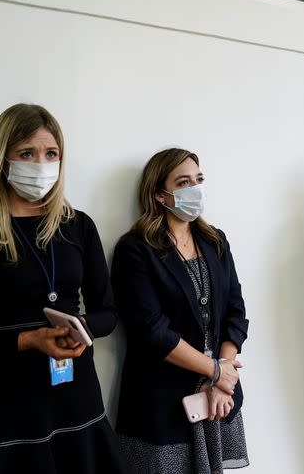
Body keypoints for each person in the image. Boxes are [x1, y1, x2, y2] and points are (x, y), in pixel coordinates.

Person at [0, 103, 128, 473]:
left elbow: (109, 314)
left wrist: (79, 331)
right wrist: (27, 340)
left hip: (76, 399)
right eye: (27, 153)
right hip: (4, 408)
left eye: (51, 154)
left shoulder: (79, 226)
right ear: (4, 160)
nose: (41, 164)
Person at [111, 148, 250, 473]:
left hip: (217, 396)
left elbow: (235, 308)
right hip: (162, 399)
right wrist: (214, 371)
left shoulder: (215, 240)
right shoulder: (135, 250)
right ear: (160, 194)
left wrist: (223, 374)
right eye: (184, 182)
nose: (195, 189)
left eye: (198, 180)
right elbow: (152, 331)